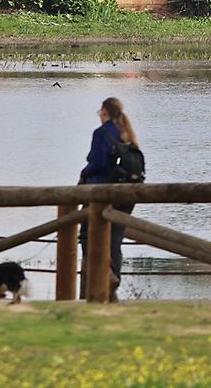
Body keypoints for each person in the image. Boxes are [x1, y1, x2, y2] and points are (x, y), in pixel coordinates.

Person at [79, 97, 140, 302]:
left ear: (105, 112)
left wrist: (84, 172)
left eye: (100, 112)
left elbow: (98, 163)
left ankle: (105, 277)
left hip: (101, 193)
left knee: (88, 236)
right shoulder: (126, 133)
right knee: (114, 240)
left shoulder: (102, 133)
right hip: (127, 193)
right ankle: (112, 282)